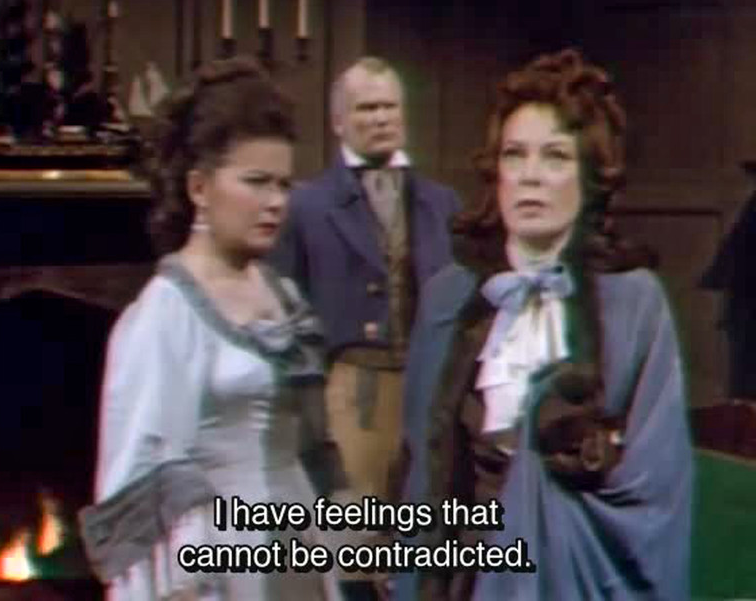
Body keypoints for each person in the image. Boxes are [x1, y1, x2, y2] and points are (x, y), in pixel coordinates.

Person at [396, 49, 693, 600]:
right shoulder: (448, 299)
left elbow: (656, 483)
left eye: (555, 156)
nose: (530, 175)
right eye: (515, 155)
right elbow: (418, 462)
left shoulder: (632, 303)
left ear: (589, 175)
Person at [81, 57, 345, 600]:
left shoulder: (282, 295)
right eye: (256, 183)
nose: (276, 202)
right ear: (200, 187)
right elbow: (140, 474)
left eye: (283, 184)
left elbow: (312, 445)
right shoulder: (164, 315)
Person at [270, 56, 461, 599]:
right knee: (351, 549)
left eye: (389, 106)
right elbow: (284, 313)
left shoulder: (442, 203)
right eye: (366, 107)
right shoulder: (306, 207)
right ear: (338, 121)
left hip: (431, 392)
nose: (381, 118)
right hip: (350, 396)